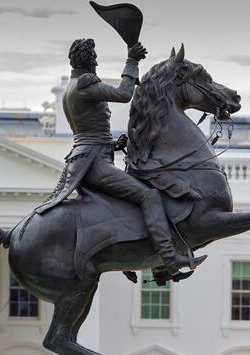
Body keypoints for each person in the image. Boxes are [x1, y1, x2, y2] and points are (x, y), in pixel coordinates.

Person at [35, 38, 193, 277]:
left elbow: (87, 132)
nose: (97, 61)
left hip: (86, 158)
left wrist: (112, 144)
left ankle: (129, 257)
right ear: (88, 59)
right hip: (95, 165)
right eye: (95, 57)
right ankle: (169, 259)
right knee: (149, 196)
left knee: (126, 200)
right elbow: (123, 93)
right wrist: (132, 60)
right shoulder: (85, 83)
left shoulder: (72, 86)